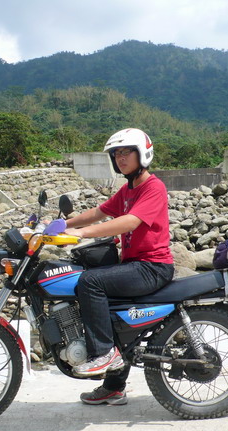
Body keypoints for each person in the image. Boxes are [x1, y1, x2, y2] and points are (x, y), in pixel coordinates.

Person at [64, 128, 174, 405]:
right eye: (117, 154)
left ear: (142, 154)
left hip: (152, 267)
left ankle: (104, 354)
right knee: (108, 312)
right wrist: (61, 225)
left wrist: (84, 233)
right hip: (135, 265)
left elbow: (130, 221)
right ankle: (114, 386)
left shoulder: (153, 187)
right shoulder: (127, 189)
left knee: (90, 281)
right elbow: (99, 212)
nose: (121, 158)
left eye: (126, 152)